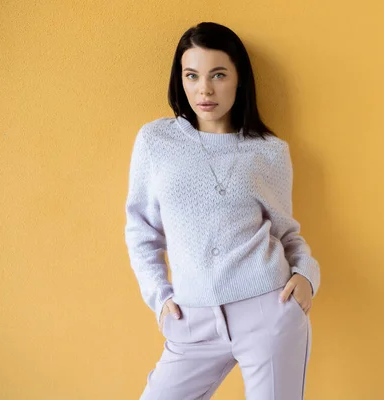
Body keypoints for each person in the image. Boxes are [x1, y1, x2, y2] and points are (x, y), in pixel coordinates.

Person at [124, 21, 320, 400]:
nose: (204, 89)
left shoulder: (268, 151)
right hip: (191, 320)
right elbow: (141, 230)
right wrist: (160, 298)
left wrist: (307, 276)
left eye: (218, 74)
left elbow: (286, 233)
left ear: (239, 79)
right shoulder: (156, 141)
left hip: (268, 310)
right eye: (192, 75)